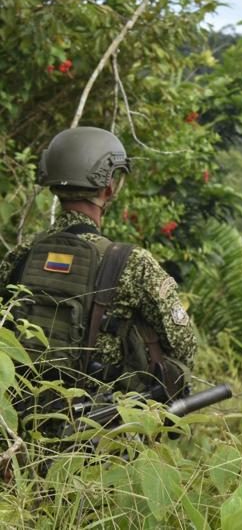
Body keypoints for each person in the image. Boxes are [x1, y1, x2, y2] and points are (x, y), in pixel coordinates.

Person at [0, 127, 196, 420]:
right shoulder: (133, 263)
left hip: (18, 420)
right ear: (109, 187)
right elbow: (184, 346)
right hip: (98, 431)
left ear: (52, 182)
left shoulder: (21, 254)